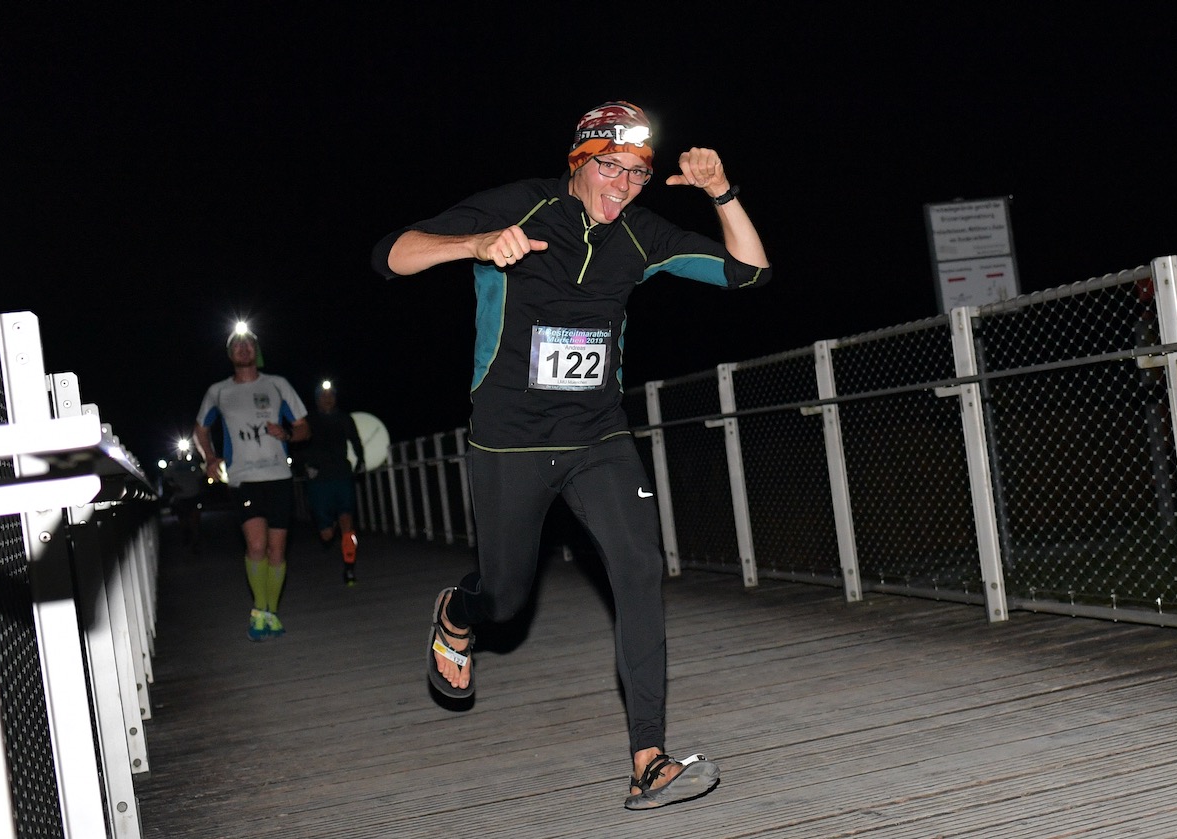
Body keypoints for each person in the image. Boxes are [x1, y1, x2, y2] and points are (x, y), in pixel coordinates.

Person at [371, 100, 771, 810]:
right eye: (610, 168)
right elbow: (390, 256)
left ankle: (648, 757)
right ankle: (459, 614)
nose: (623, 185)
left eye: (638, 174)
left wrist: (721, 192)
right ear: (579, 162)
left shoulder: (641, 235)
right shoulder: (521, 207)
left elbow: (749, 271)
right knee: (506, 596)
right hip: (509, 440)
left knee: (639, 565)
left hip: (597, 435)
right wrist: (476, 245)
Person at [193, 324, 309, 641]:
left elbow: (303, 428)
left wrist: (286, 433)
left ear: (255, 351)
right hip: (243, 479)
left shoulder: (278, 385)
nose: (243, 349)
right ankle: (262, 611)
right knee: (256, 546)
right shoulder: (218, 391)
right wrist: (210, 458)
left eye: (248, 344)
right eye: (236, 345)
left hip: (278, 477)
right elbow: (200, 429)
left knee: (277, 552)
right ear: (230, 354)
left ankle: (269, 612)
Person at [299, 380, 366, 585]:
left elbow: (355, 440)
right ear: (317, 399)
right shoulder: (308, 420)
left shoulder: (345, 419)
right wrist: (304, 466)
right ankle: (329, 524)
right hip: (318, 480)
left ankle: (349, 568)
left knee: (348, 521)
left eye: (331, 395)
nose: (327, 399)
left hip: (342, 475)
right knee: (327, 535)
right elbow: (298, 446)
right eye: (323, 396)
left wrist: (361, 460)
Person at [162, 439, 205, 553]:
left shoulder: (194, 464)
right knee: (183, 521)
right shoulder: (172, 465)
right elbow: (166, 479)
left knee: (195, 521)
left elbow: (201, 478)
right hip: (180, 497)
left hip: (194, 495)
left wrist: (202, 492)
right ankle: (186, 538)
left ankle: (195, 543)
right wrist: (173, 486)